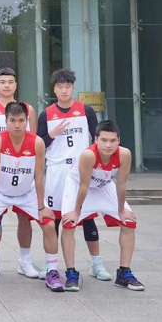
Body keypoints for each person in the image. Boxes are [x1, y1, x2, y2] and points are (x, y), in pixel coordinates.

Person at [0, 101, 64, 292]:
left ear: (27, 121)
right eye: (12, 120)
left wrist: (41, 206)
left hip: (27, 193)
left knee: (48, 224)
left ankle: (52, 271)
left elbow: (39, 176)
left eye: (21, 120)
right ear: (6, 121)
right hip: (0, 193)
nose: (17, 125)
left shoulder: (37, 142)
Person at [36, 68, 111, 281]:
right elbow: (39, 144)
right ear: (54, 89)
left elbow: (97, 140)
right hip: (57, 170)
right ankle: (50, 263)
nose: (64, 90)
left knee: (86, 217)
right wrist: (52, 134)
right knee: (54, 219)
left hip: (80, 170)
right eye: (60, 87)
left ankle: (96, 263)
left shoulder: (85, 111)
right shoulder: (46, 114)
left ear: (73, 88)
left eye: (67, 86)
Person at [60, 120, 143, 291]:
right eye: (104, 140)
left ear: (118, 141)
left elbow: (121, 184)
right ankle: (71, 273)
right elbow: (84, 186)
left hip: (103, 186)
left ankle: (124, 273)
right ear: (96, 140)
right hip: (78, 186)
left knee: (129, 222)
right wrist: (76, 211)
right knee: (69, 223)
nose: (108, 145)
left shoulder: (124, 154)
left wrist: (121, 210)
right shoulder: (88, 155)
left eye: (112, 141)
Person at [0, 67, 39, 279]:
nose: (6, 85)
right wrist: (1, 159)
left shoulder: (28, 109)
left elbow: (33, 140)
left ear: (16, 85)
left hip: (24, 171)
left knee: (25, 218)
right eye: (2, 82)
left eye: (10, 82)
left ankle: (25, 260)